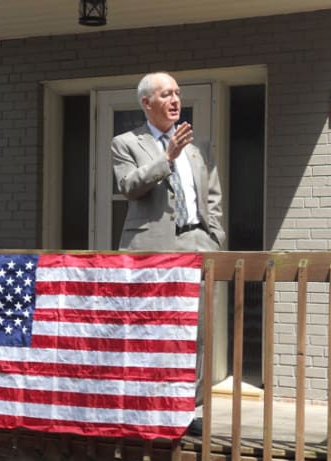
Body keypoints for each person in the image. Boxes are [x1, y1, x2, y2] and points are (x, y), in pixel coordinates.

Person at [112, 71, 226, 435]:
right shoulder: (125, 142)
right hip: (151, 248)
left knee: (196, 331)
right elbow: (129, 186)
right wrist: (166, 157)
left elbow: (212, 198)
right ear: (147, 103)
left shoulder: (199, 146)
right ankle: (144, 404)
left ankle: (188, 410)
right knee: (150, 328)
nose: (175, 100)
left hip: (196, 243)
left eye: (177, 93)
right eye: (166, 94)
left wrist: (214, 238)